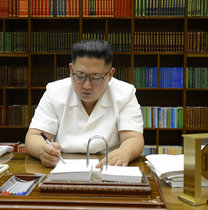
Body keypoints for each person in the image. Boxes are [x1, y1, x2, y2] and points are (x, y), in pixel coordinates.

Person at [25, 39, 144, 168]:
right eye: (79, 75)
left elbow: (133, 138)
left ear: (110, 74)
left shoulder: (125, 93)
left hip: (108, 166)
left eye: (96, 77)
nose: (87, 85)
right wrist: (43, 151)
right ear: (71, 69)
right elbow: (34, 136)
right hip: (63, 165)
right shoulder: (54, 91)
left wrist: (124, 153)